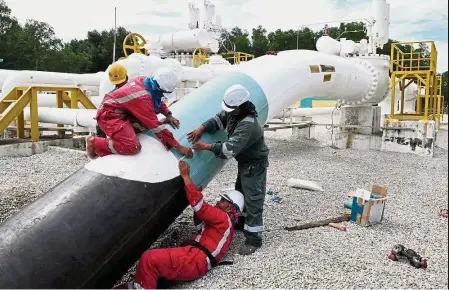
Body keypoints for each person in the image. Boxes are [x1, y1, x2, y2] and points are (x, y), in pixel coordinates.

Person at [113, 160, 244, 289]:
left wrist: (186, 177)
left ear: (230, 208)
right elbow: (200, 226)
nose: (218, 201)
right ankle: (138, 285)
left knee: (149, 259)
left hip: (194, 259)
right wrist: (195, 197)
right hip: (198, 260)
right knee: (152, 267)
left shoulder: (222, 217)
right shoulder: (226, 224)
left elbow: (201, 207)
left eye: (223, 201)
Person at [187, 84, 269, 256]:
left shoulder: (247, 123)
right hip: (246, 162)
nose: (228, 111)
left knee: (253, 198)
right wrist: (202, 128)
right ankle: (243, 221)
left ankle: (254, 238)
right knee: (241, 192)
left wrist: (206, 146)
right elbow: (219, 119)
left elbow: (229, 149)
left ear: (240, 106)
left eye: (231, 109)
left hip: (254, 163)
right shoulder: (236, 112)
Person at [85, 67, 193, 159]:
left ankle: (115, 139)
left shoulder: (145, 81)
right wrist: (179, 147)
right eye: (163, 92)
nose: (162, 95)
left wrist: (168, 115)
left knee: (144, 128)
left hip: (121, 112)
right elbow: (156, 127)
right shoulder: (142, 98)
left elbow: (157, 100)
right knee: (132, 147)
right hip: (109, 116)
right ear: (158, 88)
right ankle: (94, 142)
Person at [96, 63, 129, 138]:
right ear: (126, 77)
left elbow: (99, 117)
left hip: (116, 133)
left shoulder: (108, 96)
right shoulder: (133, 93)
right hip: (126, 133)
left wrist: (100, 138)